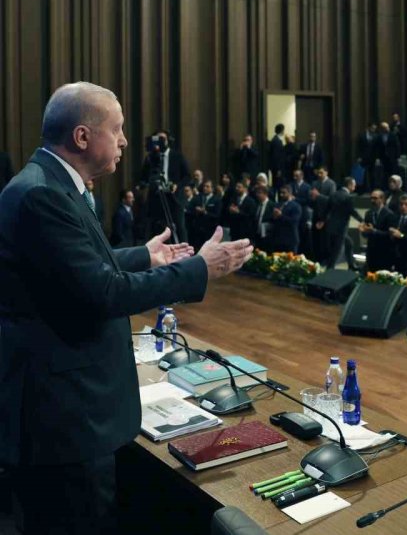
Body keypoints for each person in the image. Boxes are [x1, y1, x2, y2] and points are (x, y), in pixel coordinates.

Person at [0, 82, 253, 535]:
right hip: (64, 422)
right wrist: (200, 269)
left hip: (66, 412)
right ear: (82, 137)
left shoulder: (50, 184)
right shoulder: (45, 195)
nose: (124, 141)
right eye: (116, 130)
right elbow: (104, 293)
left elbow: (72, 268)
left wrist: (144, 255)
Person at [360, 189, 397, 272]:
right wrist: (363, 232)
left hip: (384, 252)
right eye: (371, 198)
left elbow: (390, 235)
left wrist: (374, 231)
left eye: (375, 198)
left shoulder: (389, 214)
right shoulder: (368, 213)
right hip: (371, 252)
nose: (372, 200)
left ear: (382, 199)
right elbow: (367, 233)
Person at [269, 184, 302, 253]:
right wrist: (273, 217)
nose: (281, 195)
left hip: (290, 239)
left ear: (290, 193)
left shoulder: (296, 206)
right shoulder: (277, 204)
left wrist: (281, 215)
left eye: (284, 193)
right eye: (280, 193)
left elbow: (294, 222)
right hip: (278, 239)